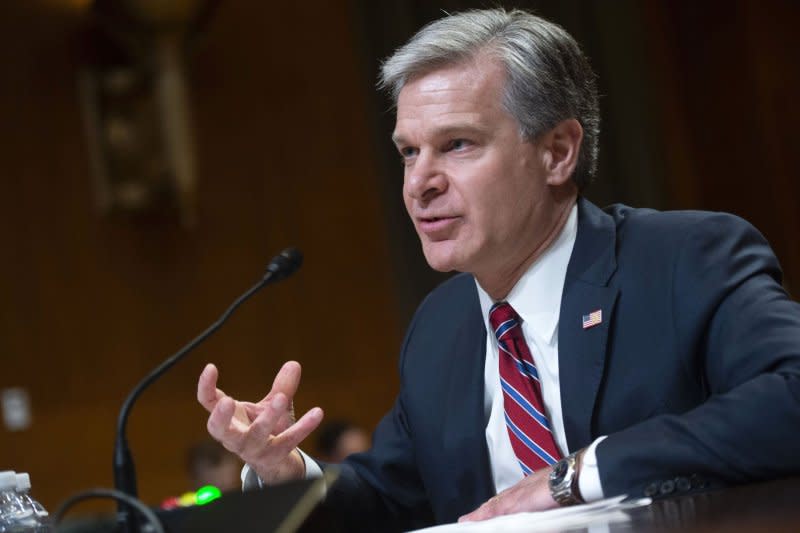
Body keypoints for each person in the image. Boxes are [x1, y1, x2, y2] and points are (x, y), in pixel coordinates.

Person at [196, 8, 800, 531]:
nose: (419, 184)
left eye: (457, 144)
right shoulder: (442, 327)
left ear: (557, 152)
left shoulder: (683, 260)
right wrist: (284, 471)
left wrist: (573, 478)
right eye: (409, 151)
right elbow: (390, 504)